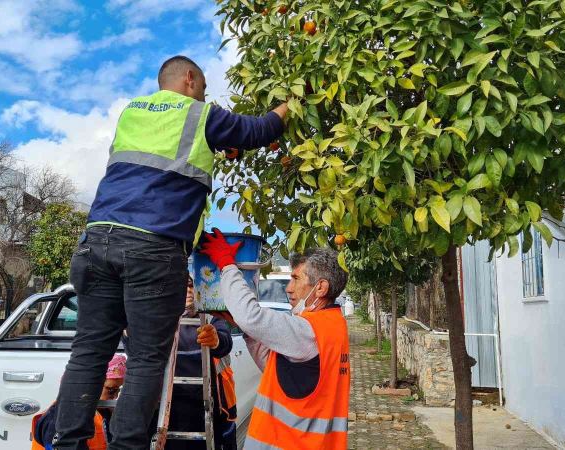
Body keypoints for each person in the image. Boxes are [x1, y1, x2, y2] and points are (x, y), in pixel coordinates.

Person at [53, 56, 287, 450]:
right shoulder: (200, 114)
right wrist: (294, 101)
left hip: (96, 241)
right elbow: (261, 129)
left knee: (89, 351)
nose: (206, 98)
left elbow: (161, 165)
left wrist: (218, 145)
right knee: (146, 358)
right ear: (191, 80)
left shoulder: (132, 113)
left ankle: (68, 444)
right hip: (153, 248)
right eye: (205, 91)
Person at [200, 231, 351, 450]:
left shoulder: (309, 330)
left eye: (296, 279)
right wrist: (247, 329)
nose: (289, 288)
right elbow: (280, 370)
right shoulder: (332, 325)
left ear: (321, 287)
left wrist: (226, 263)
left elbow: (252, 316)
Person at [157, 275, 237, 450]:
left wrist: (215, 339)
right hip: (170, 405)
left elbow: (224, 340)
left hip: (207, 404)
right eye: (182, 286)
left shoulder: (211, 314)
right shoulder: (160, 317)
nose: (188, 292)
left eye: (192, 287)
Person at [32, 355, 127, 450]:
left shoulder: (105, 413)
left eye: (118, 390)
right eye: (111, 390)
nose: (115, 397)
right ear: (86, 386)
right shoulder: (57, 419)